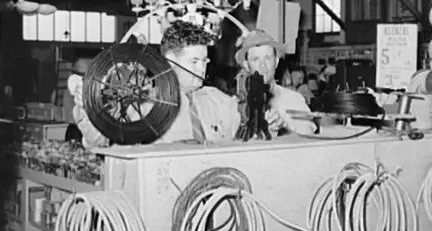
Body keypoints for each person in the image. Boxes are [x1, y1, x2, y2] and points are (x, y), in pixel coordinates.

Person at [72, 20, 241, 148]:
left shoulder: (219, 101)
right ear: (170, 61)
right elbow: (98, 140)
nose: (202, 68)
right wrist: (88, 109)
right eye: (194, 61)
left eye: (205, 60)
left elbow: (243, 135)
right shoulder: (140, 102)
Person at [235, 30, 315, 134]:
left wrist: (284, 128)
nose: (262, 65)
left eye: (268, 58)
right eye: (255, 59)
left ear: (276, 62)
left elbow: (308, 134)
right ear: (246, 65)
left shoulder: (294, 99)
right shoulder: (235, 105)